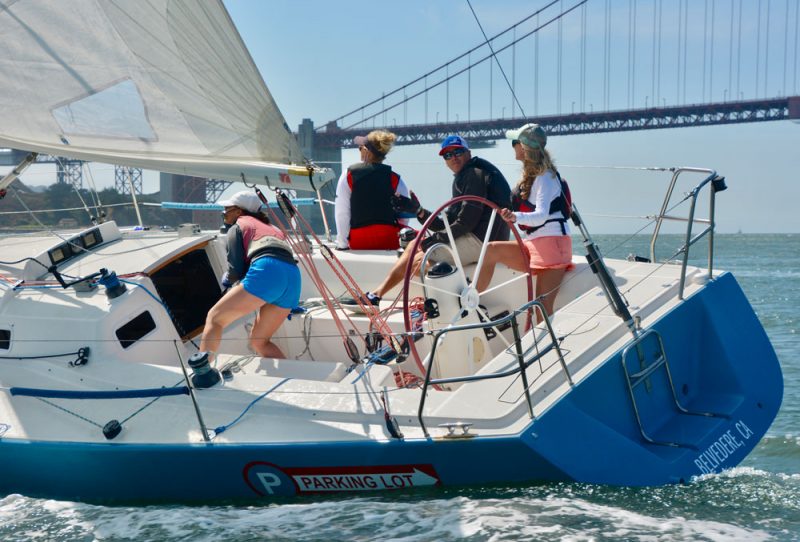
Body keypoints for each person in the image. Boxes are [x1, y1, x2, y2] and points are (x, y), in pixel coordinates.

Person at [353, 135, 511, 307]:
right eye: (448, 155)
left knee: (417, 259)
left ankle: (457, 296)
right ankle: (377, 294)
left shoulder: (474, 175)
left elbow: (466, 223)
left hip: (481, 242)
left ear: (468, 153)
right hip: (474, 238)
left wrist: (435, 240)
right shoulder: (465, 176)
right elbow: (449, 223)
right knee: (415, 246)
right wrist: (417, 210)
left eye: (458, 152)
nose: (453, 157)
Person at [475, 123, 574, 318]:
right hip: (535, 243)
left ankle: (549, 347)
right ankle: (470, 300)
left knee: (540, 310)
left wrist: (515, 216)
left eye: (514, 142)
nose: (512, 146)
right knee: (491, 250)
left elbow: (542, 215)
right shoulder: (535, 176)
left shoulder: (545, 177)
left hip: (552, 246)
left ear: (523, 148)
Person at [199, 190, 300, 359]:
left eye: (227, 209)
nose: (224, 213)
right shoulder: (272, 227)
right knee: (259, 341)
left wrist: (228, 281)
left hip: (267, 271)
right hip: (293, 278)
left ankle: (202, 373)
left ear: (239, 211)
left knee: (215, 318)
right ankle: (291, 377)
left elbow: (235, 271)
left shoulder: (238, 226)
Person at [335, 130, 411, 250]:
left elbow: (342, 213)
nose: (359, 151)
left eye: (360, 148)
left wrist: (342, 244)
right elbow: (404, 216)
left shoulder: (349, 175)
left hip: (359, 240)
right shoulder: (396, 179)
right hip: (389, 239)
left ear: (367, 152)